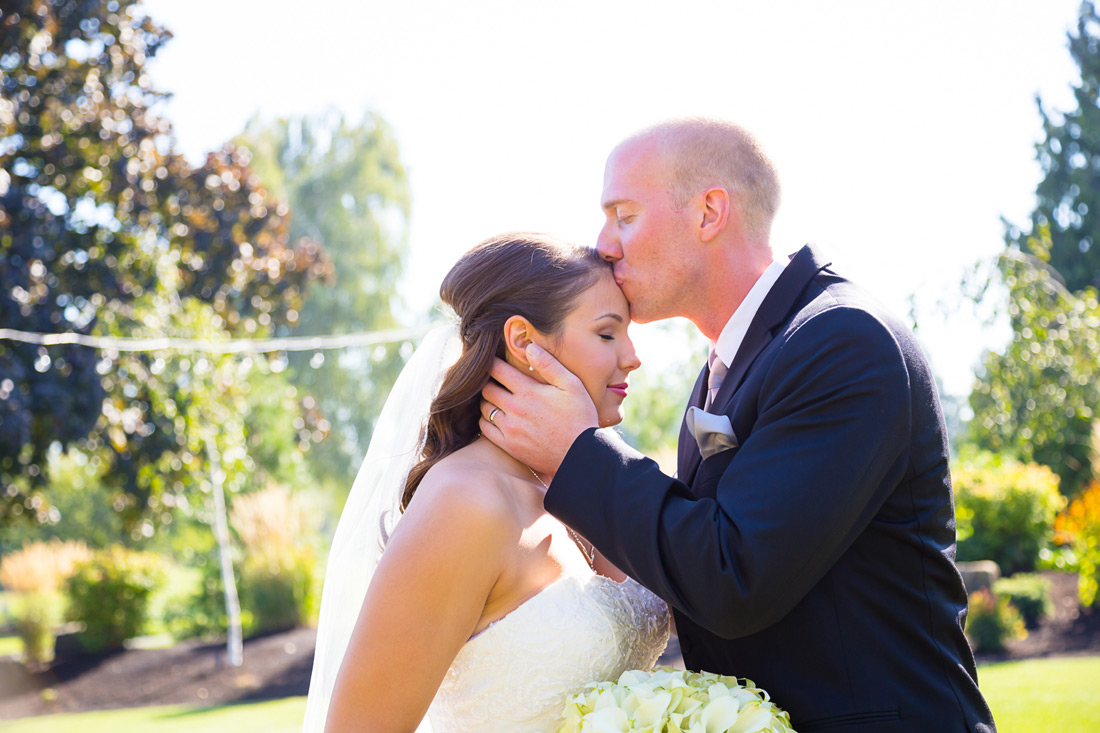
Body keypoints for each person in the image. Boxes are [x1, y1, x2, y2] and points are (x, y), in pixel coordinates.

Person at [480, 119, 997, 732]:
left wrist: (578, 451)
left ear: (708, 213)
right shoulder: (728, 365)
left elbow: (734, 577)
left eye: (624, 214)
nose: (604, 243)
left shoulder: (843, 340)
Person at [303, 233, 670, 733]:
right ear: (523, 342)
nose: (632, 357)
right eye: (607, 334)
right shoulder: (465, 501)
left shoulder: (583, 484)